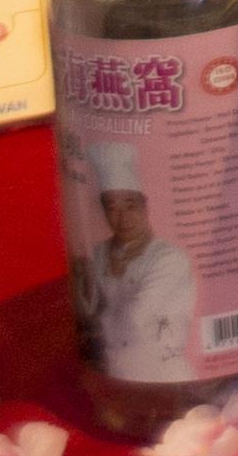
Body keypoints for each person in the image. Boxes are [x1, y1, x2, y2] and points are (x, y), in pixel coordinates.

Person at [71, 152, 196, 382]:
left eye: (130, 206)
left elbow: (136, 320)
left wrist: (96, 323)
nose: (122, 217)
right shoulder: (99, 253)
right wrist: (81, 280)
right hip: (111, 375)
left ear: (145, 206)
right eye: (112, 208)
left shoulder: (168, 258)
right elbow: (87, 309)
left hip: (164, 376)